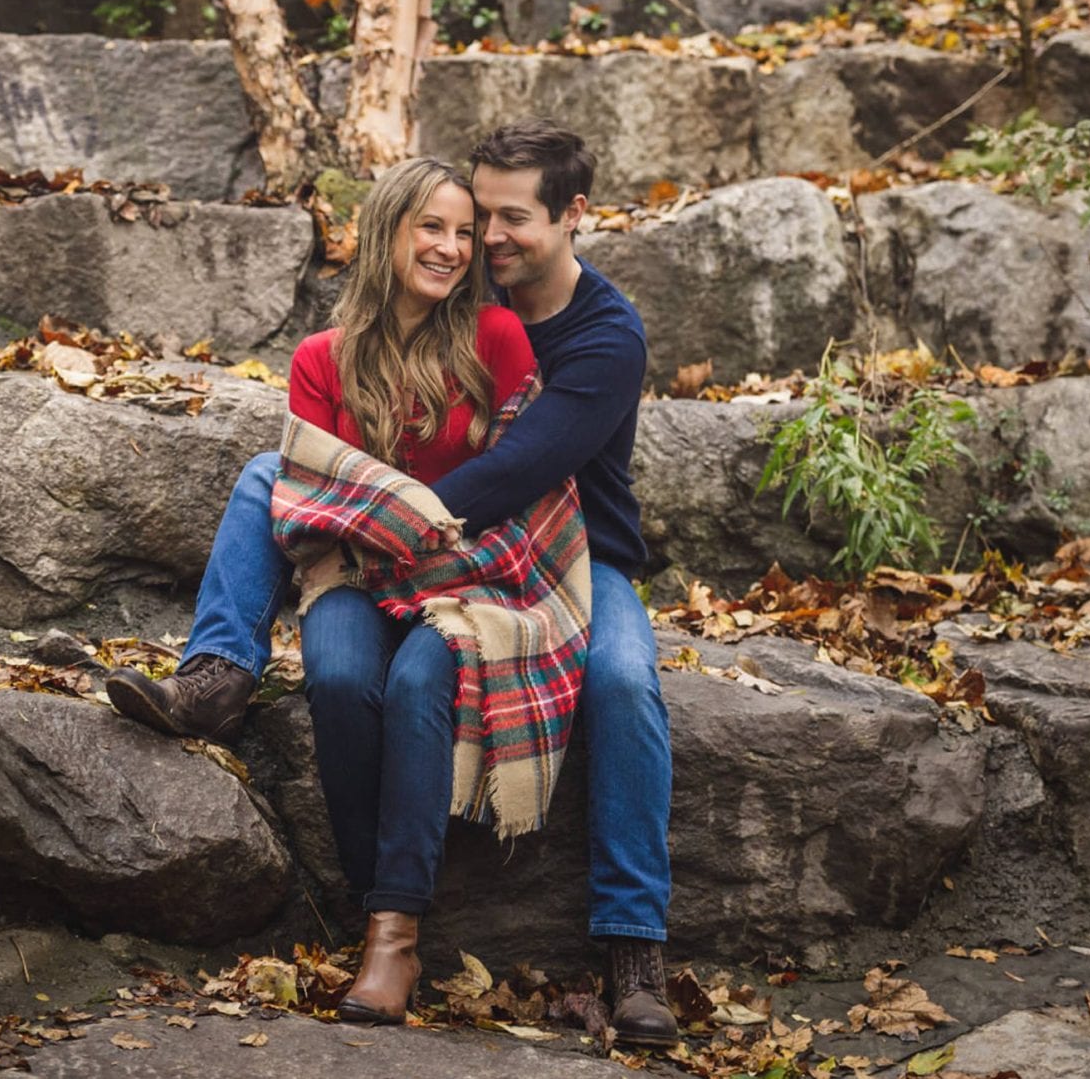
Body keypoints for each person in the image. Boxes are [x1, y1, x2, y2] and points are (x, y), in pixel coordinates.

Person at [106, 123, 679, 1045]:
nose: (482, 239)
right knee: (268, 478)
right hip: (403, 544)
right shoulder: (459, 281)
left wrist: (373, 522)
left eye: (509, 219)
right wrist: (364, 520)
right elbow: (359, 365)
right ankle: (220, 672)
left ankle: (634, 948)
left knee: (621, 681)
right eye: (472, 216)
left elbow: (520, 470)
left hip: (565, 553)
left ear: (575, 217)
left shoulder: (603, 334)